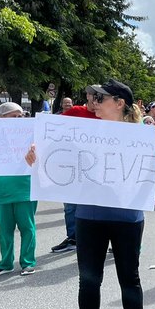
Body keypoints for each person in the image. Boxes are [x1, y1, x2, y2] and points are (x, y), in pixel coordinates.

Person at [27, 79, 155, 309]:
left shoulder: (142, 135)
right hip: (90, 216)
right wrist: (36, 159)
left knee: (130, 277)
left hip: (128, 218)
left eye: (100, 99)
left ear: (119, 103)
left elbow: (148, 180)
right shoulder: (82, 131)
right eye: (93, 98)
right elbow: (57, 163)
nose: (94, 103)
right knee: (88, 280)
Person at [0, 102, 37, 277]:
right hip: (0, 187)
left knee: (27, 227)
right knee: (5, 229)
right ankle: (6, 263)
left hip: (24, 187)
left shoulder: (31, 134)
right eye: (13, 116)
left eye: (20, 116)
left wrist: (35, 152)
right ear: (1, 118)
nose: (17, 120)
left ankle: (28, 262)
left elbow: (43, 152)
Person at [52, 88, 101, 253]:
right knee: (70, 205)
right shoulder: (75, 111)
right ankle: (73, 237)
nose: (95, 99)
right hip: (73, 166)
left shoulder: (106, 116)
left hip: (98, 167)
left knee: (97, 203)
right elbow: (53, 128)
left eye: (99, 96)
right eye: (92, 95)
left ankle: (99, 238)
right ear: (87, 96)